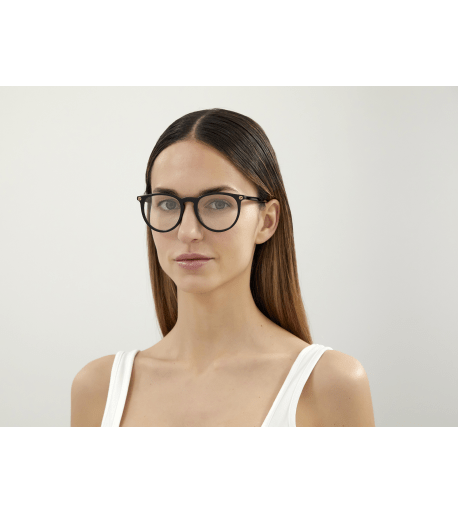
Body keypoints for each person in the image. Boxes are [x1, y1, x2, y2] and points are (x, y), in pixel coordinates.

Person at [71, 108, 375, 427]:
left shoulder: (330, 384)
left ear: (267, 221)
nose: (188, 232)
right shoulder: (99, 389)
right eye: (168, 204)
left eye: (218, 203)